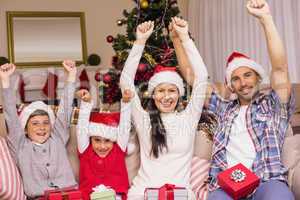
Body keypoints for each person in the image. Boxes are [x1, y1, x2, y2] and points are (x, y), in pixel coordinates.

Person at [177, 0, 295, 199]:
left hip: (267, 180)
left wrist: (266, 20)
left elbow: (280, 69)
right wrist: (178, 38)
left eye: (248, 75)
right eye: (236, 78)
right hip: (226, 185)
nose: (243, 83)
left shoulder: (273, 106)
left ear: (258, 78)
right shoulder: (222, 108)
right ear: (231, 86)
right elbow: (191, 77)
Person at [119, 17, 208, 199]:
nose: (166, 96)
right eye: (160, 91)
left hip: (180, 193)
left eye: (171, 91)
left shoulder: (189, 117)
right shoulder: (144, 118)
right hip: (144, 192)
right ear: (152, 94)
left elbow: (202, 77)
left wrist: (184, 38)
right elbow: (125, 82)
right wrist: (140, 41)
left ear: (180, 94)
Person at [0, 60, 77, 198]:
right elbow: (11, 115)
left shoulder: (57, 137)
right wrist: (5, 80)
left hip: (70, 195)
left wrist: (71, 76)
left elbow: (65, 109)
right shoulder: (20, 145)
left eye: (45, 123)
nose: (41, 128)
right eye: (35, 123)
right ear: (25, 128)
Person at [76, 89, 133, 200]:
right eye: (97, 140)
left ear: (113, 140)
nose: (102, 146)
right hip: (88, 196)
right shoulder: (85, 150)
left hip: (116, 196)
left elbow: (124, 127)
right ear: (90, 138)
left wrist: (126, 102)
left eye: (107, 141)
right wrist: (86, 103)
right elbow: (81, 128)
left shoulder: (119, 149)